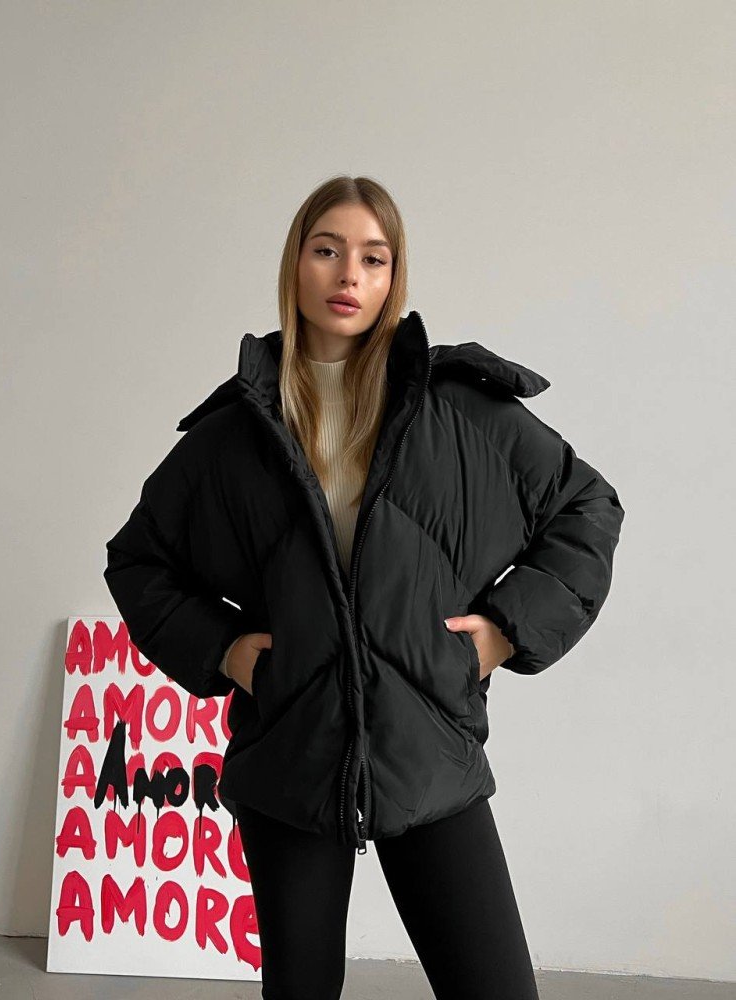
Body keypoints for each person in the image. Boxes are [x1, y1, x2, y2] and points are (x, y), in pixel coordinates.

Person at [104, 174, 625, 999]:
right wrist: (226, 652)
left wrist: (502, 632)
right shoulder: (237, 432)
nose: (349, 274)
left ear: (392, 278)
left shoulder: (457, 411)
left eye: (373, 258)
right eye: (327, 250)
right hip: (289, 759)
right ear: (296, 264)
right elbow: (139, 560)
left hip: (429, 752)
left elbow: (585, 507)